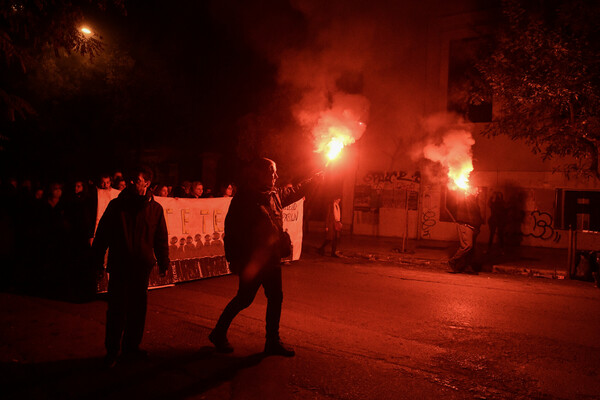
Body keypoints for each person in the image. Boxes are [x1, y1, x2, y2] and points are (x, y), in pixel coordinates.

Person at [209, 158, 321, 357]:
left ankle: (272, 341)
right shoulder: (244, 199)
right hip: (252, 261)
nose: (276, 176)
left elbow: (295, 191)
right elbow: (231, 231)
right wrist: (234, 259)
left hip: (271, 259)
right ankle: (218, 333)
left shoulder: (275, 195)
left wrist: (319, 177)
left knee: (276, 297)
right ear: (259, 173)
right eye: (272, 171)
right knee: (244, 299)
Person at [91, 166, 170, 368]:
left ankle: (131, 348)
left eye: (137, 179)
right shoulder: (116, 206)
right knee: (117, 310)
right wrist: (97, 262)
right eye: (131, 179)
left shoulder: (155, 210)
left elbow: (160, 238)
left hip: (141, 268)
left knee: (137, 309)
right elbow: (102, 236)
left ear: (147, 183)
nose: (132, 182)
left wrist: (164, 262)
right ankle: (112, 351)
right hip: (120, 266)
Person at [446, 189, 482, 274]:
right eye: (475, 190)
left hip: (473, 227)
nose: (477, 191)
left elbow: (476, 215)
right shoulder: (466, 200)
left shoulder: (473, 201)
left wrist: (477, 227)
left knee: (471, 249)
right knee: (467, 246)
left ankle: (467, 266)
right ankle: (453, 261)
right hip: (466, 226)